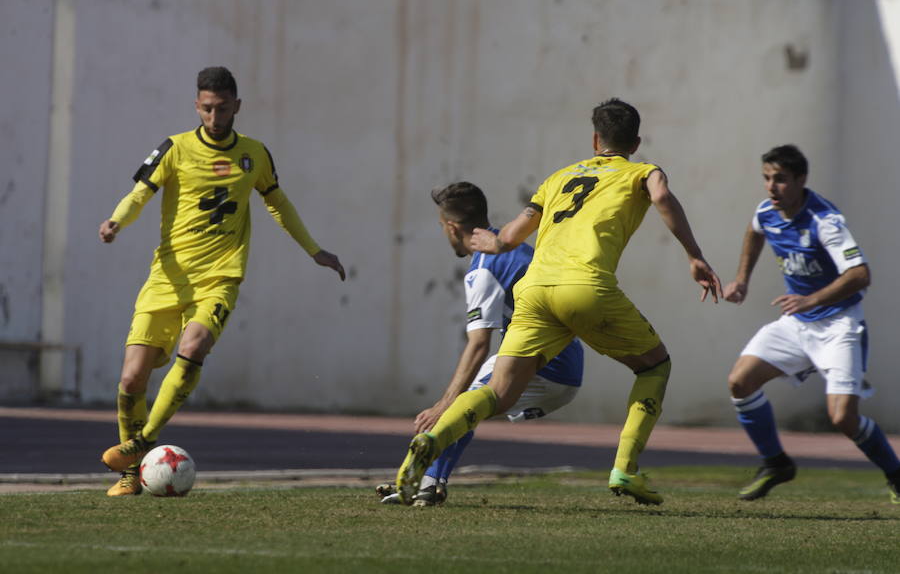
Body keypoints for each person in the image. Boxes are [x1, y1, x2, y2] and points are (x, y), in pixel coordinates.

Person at [394, 98, 722, 506]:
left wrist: (494, 242)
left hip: (534, 291)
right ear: (635, 142)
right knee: (656, 365)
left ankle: (432, 438)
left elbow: (511, 236)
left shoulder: (559, 177)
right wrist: (694, 254)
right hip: (585, 287)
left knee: (499, 390)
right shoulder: (643, 171)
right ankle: (625, 469)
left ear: (594, 139)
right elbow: (663, 198)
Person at [98, 67, 345, 496]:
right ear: (197, 106)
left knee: (193, 348)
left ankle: (144, 440)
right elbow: (140, 192)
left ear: (237, 106)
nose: (214, 117)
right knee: (131, 380)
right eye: (207, 108)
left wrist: (315, 250)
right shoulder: (174, 148)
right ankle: (130, 474)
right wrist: (117, 220)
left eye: (223, 108)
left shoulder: (254, 154)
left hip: (219, 277)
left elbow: (278, 204)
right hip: (167, 279)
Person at [377, 182, 584, 506]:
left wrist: (442, 404)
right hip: (562, 358)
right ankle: (429, 479)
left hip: (548, 367)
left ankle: (425, 481)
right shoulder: (511, 246)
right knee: (468, 400)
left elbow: (478, 344)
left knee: (461, 403)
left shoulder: (485, 267)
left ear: (451, 226)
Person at [724, 144, 900, 504]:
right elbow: (754, 232)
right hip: (796, 324)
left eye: (781, 180)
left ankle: (896, 473)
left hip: (839, 326)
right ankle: (776, 463)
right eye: (767, 178)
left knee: (842, 418)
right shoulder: (767, 212)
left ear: (801, 180)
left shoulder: (825, 221)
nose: (771, 187)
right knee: (740, 381)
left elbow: (860, 274)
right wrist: (742, 279)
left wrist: (811, 299)